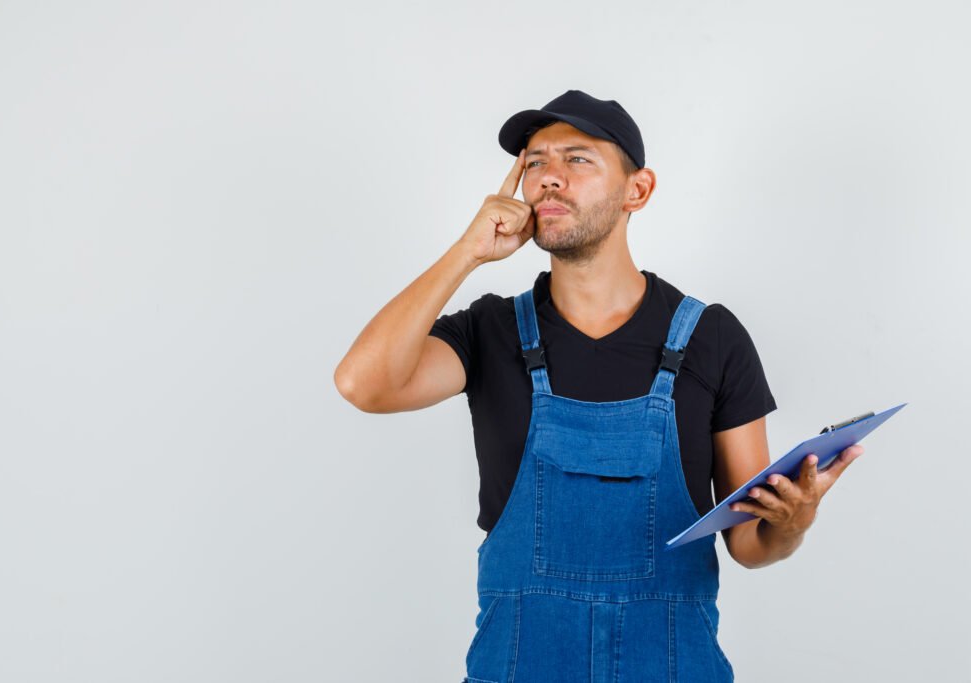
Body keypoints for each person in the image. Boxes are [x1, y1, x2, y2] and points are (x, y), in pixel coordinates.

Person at [335, 89, 864, 682]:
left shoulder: (711, 338)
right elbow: (362, 384)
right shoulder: (490, 331)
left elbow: (750, 543)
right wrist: (468, 252)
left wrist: (792, 522)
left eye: (578, 159)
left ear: (638, 190)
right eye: (536, 162)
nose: (549, 177)